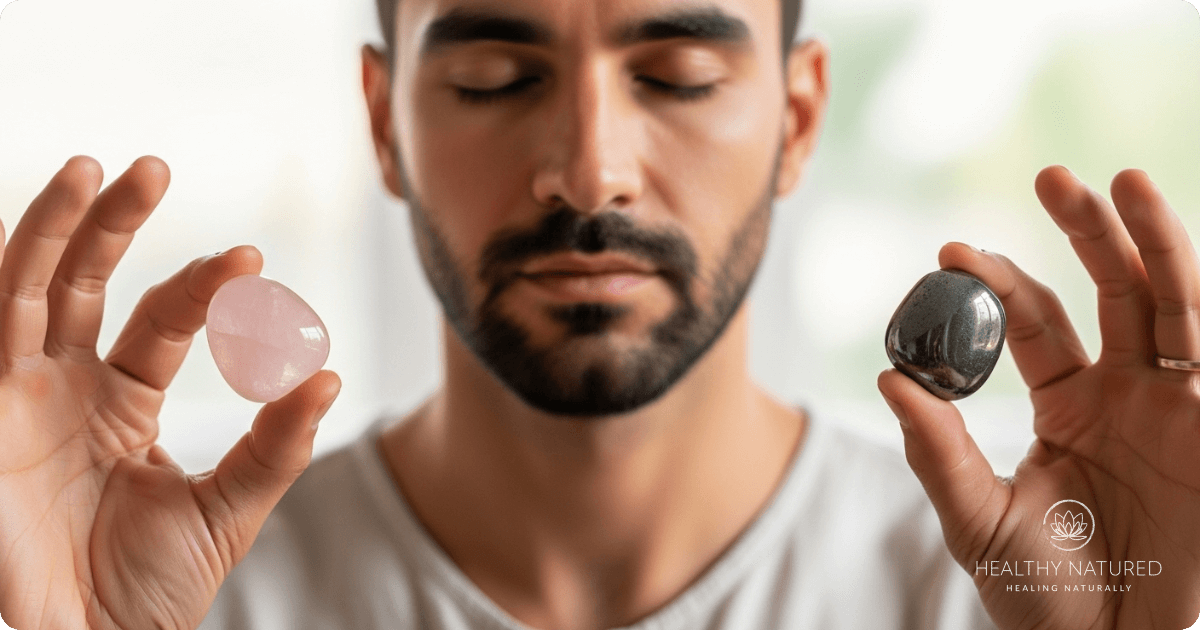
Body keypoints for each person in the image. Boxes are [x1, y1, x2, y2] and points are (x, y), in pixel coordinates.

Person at [1, 0, 1197, 628]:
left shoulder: (1016, 602)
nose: (588, 169)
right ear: (383, 124)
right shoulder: (178, 599)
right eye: (493, 78)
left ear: (796, 119)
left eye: (675, 78)